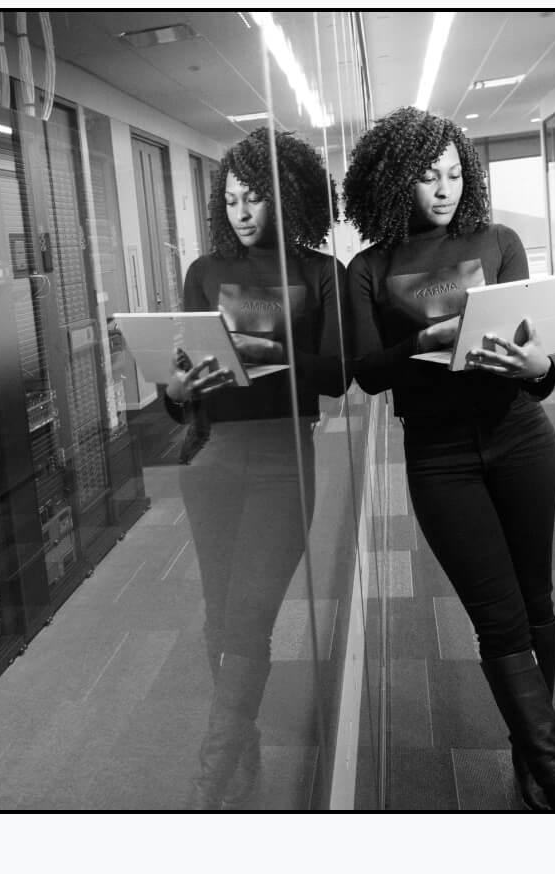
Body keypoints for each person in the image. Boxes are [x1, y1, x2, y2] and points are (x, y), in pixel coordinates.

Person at [343, 107, 555, 811]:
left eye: (454, 173)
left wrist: (540, 365)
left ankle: (532, 758)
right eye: (427, 177)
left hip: (520, 437)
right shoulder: (370, 267)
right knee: (498, 617)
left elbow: (533, 369)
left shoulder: (500, 241)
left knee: (536, 601)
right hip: (439, 456)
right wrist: (435, 339)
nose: (444, 189)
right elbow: (366, 370)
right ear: (394, 182)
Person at [160, 127, 348, 809]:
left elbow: (336, 377)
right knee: (220, 614)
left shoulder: (321, 272)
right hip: (213, 456)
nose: (242, 212)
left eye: (255, 198)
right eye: (232, 199)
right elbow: (183, 378)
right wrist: (175, 392)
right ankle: (238, 740)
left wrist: (270, 353)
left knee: (249, 611)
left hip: (282, 458)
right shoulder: (205, 271)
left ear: (288, 195)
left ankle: (211, 774)